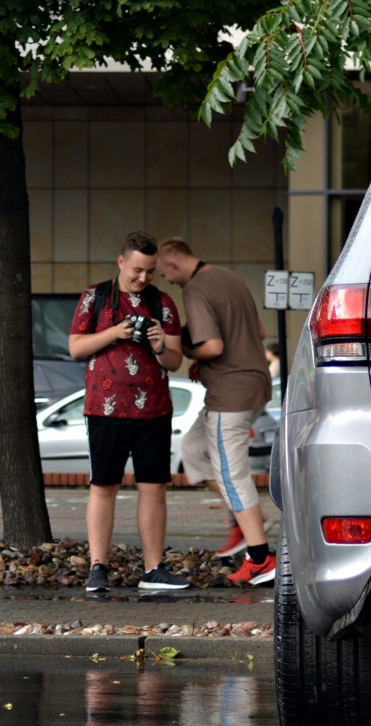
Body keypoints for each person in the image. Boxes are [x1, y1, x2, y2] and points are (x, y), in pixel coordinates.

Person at [67, 230, 189, 592]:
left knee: (154, 488)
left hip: (154, 411)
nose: (143, 278)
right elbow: (76, 347)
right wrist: (116, 332)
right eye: (137, 270)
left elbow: (175, 360)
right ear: (121, 261)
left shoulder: (163, 303)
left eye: (149, 271)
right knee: (103, 486)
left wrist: (157, 345)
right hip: (104, 410)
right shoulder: (96, 297)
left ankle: (154, 570)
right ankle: (97, 568)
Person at [157, 237, 276, 585]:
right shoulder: (230, 277)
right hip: (254, 386)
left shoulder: (195, 289)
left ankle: (260, 559)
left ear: (174, 264)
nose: (166, 279)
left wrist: (187, 352)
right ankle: (245, 521)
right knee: (194, 451)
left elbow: (212, 345)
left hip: (231, 395)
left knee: (232, 475)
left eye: (164, 273)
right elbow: (260, 331)